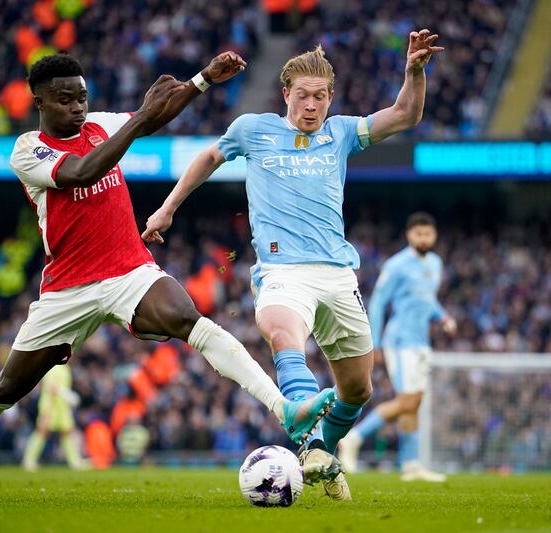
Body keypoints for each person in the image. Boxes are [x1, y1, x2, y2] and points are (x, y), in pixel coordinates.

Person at [0, 52, 335, 502]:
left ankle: (286, 410)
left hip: (128, 269)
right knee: (8, 388)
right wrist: (141, 115)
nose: (77, 107)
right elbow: (87, 169)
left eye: (82, 98)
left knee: (190, 319)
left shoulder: (100, 125)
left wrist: (201, 81)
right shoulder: (28, 150)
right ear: (40, 102)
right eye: (65, 100)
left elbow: (154, 115)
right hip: (69, 287)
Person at [143, 30, 444, 500]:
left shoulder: (342, 132)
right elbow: (208, 157)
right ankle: (305, 432)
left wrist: (414, 72)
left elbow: (405, 114)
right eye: (302, 96)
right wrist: (167, 209)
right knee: (283, 333)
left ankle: (320, 448)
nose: (311, 105)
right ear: (286, 94)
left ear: (330, 98)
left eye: (320, 97)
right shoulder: (253, 129)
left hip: (338, 275)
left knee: (358, 391)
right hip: (283, 272)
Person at [338, 212, 456, 482]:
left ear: (434, 235)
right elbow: (378, 303)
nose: (423, 238)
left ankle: (411, 465)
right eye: (419, 233)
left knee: (414, 403)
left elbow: (428, 300)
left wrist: (443, 317)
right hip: (399, 340)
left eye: (428, 234)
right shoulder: (397, 264)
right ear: (409, 235)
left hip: (421, 341)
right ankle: (354, 438)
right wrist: (375, 343)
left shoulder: (435, 263)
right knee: (407, 401)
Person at [22, 364, 86, 471]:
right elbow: (52, 387)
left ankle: (75, 461)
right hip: (50, 406)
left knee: (67, 432)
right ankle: (28, 460)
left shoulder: (65, 368)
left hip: (62, 407)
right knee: (42, 431)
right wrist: (68, 396)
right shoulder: (52, 366)